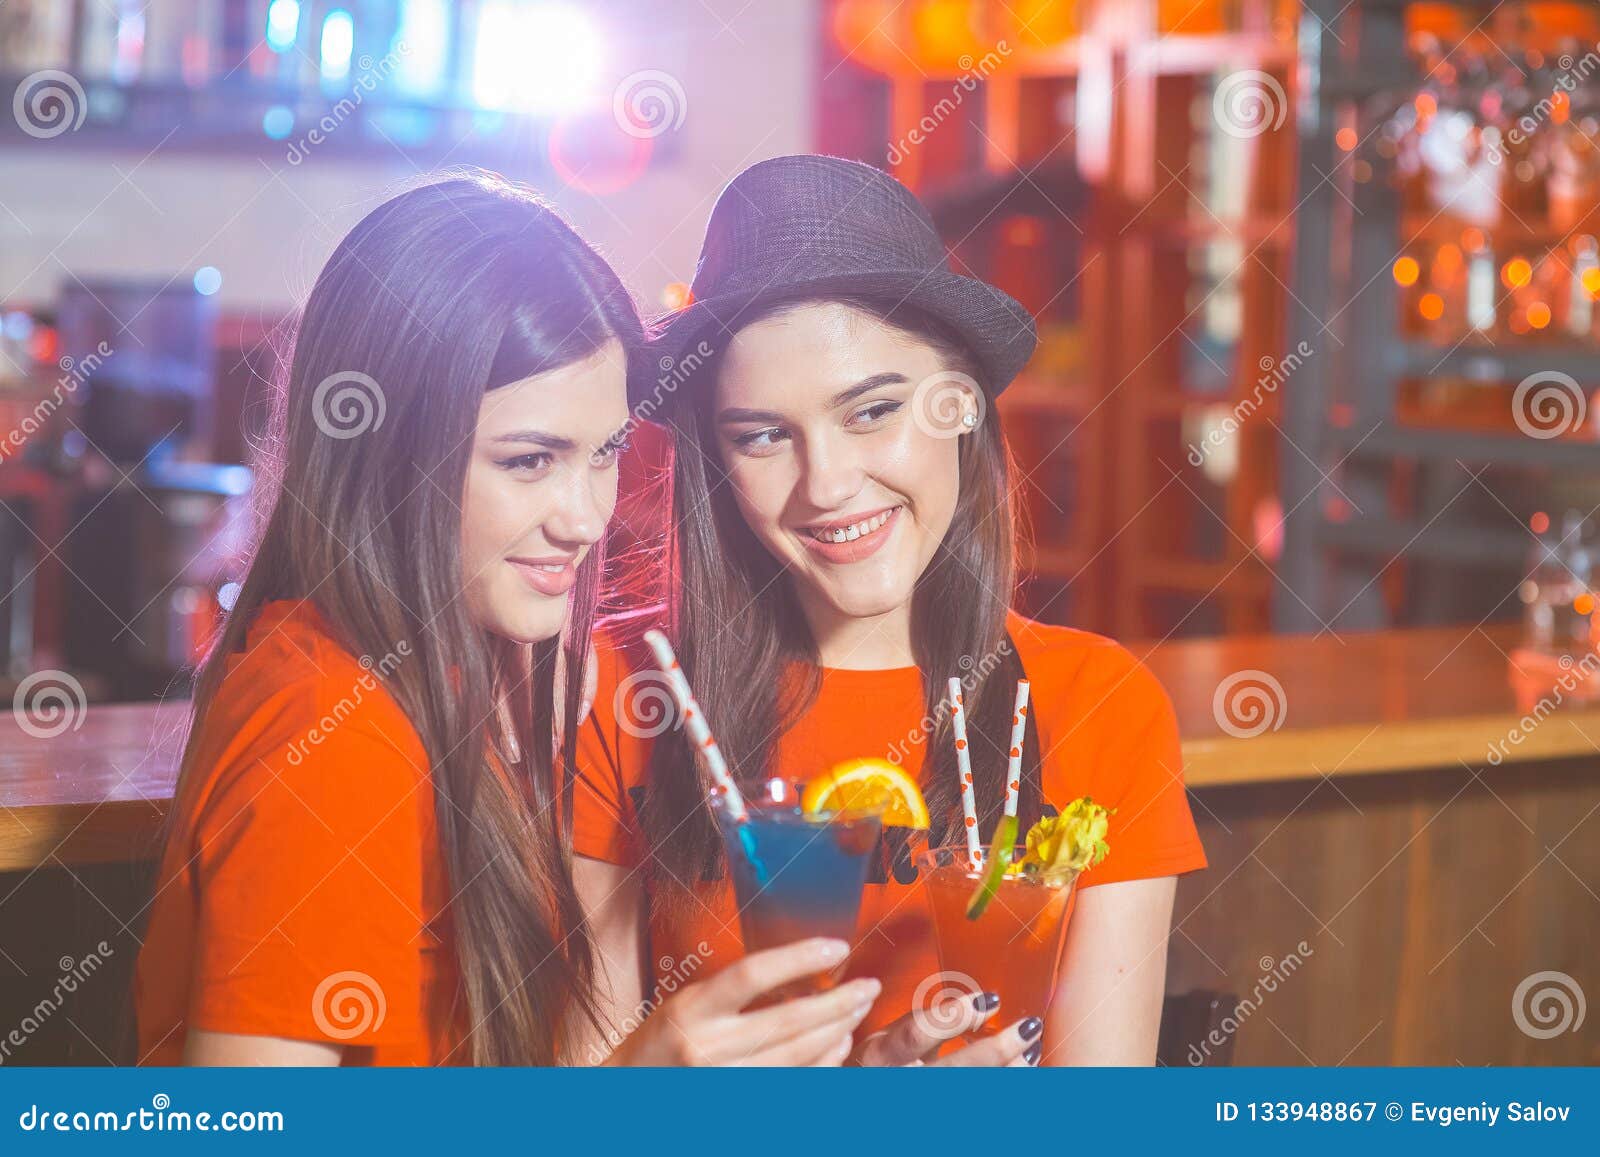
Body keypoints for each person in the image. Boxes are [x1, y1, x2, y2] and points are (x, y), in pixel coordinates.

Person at [134, 171, 872, 1067]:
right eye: (529, 461)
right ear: (389, 454)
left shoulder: (469, 688)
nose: (586, 514)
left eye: (603, 454)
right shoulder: (336, 724)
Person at [573, 155, 1209, 1066]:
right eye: (760, 434)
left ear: (962, 409)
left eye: (871, 410)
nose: (827, 486)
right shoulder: (619, 695)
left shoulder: (1097, 702)